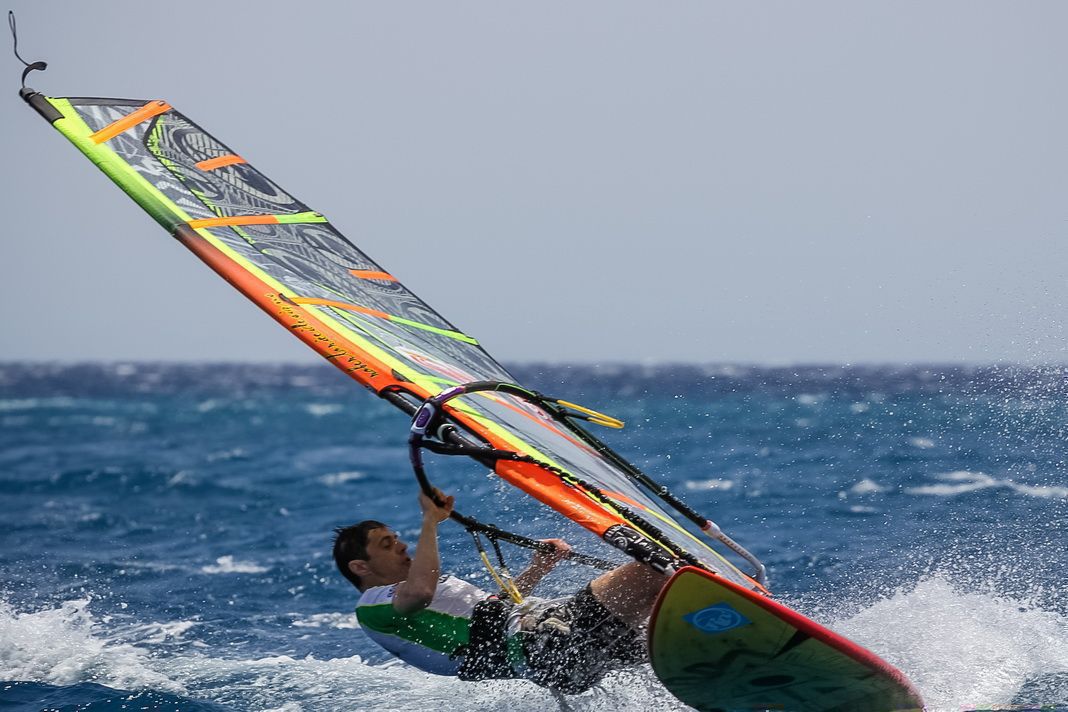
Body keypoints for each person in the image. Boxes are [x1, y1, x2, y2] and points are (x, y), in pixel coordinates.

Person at [332, 488, 668, 693]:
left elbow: (495, 613)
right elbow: (421, 591)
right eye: (387, 545)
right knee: (653, 567)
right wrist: (430, 521)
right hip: (549, 645)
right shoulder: (372, 607)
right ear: (360, 567)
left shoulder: (413, 599)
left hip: (556, 656)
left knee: (664, 622)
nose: (403, 546)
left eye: (396, 539)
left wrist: (538, 568)